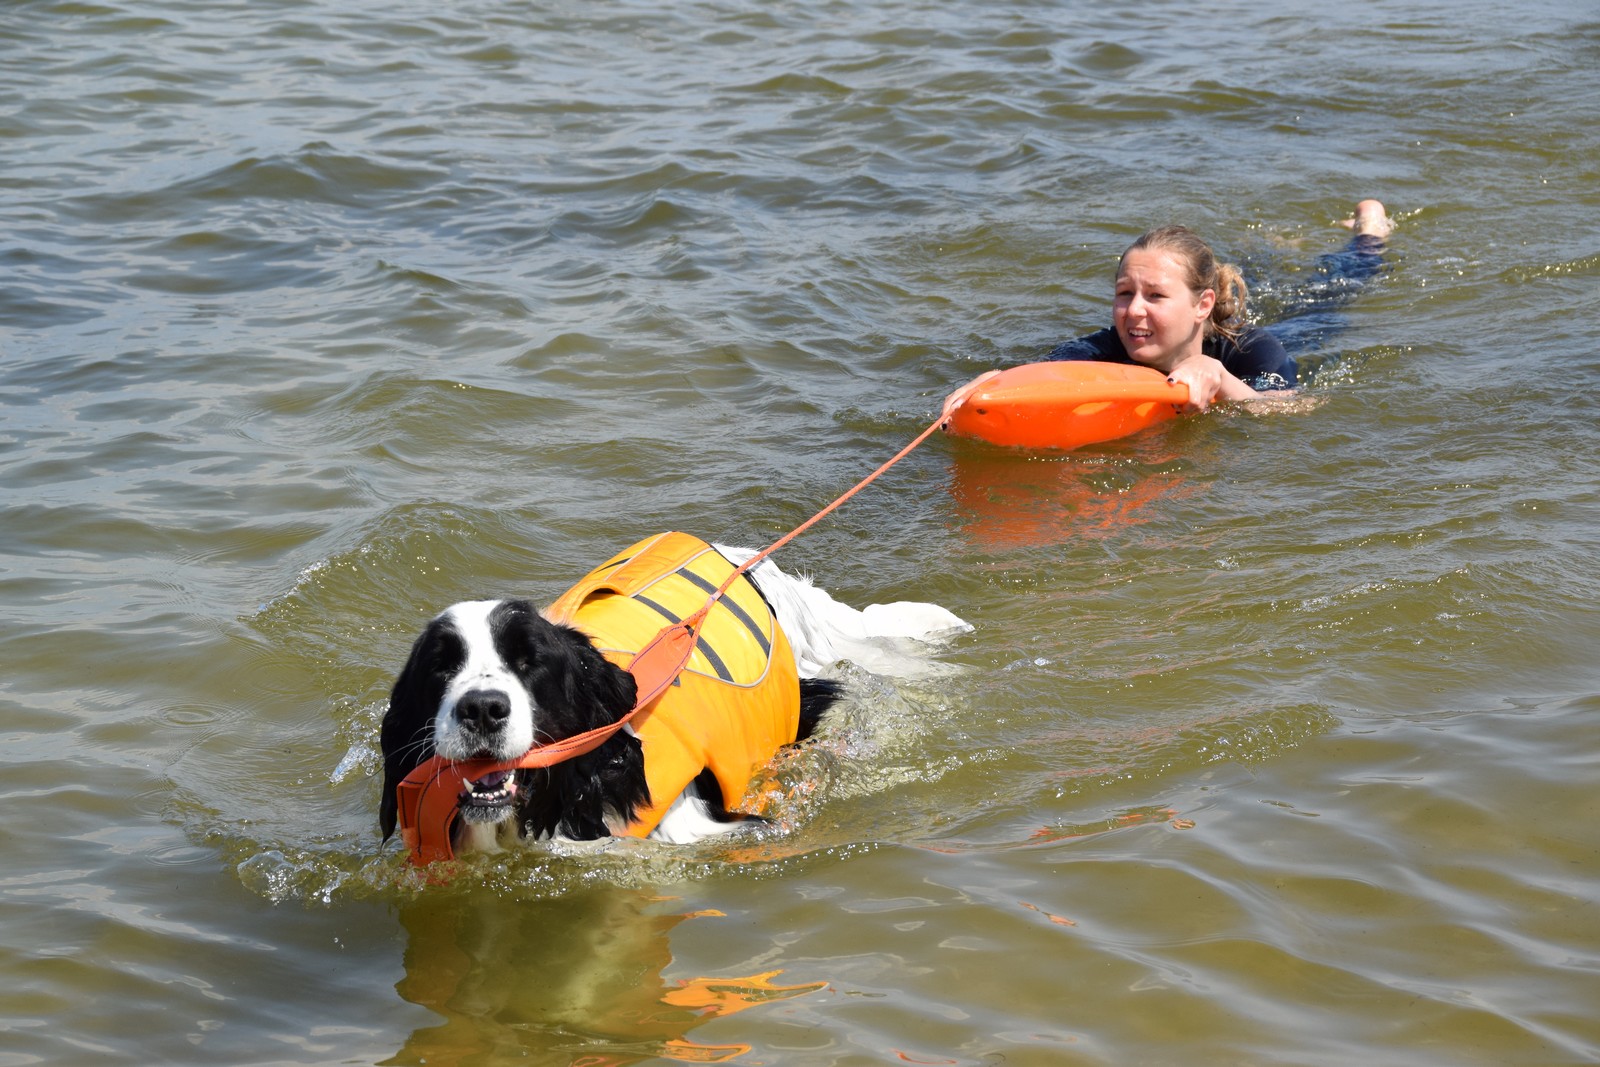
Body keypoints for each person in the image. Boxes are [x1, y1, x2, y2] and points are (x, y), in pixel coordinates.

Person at [943, 199, 1393, 419]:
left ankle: (1369, 232)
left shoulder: (1254, 349)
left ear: (1203, 305)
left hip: (1298, 331)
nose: (1133, 311)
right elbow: (1043, 376)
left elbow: (1292, 410)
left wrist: (1219, 379)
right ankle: (1271, 247)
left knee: (1337, 287)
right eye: (1124, 293)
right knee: (1262, 267)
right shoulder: (1101, 350)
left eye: (1155, 296)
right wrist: (992, 384)